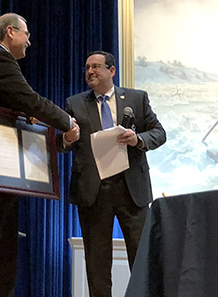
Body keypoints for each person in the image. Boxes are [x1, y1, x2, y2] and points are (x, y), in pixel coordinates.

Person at [0, 13, 80, 297]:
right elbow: (29, 100)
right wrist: (67, 123)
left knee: (3, 253)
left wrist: (32, 120)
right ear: (10, 32)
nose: (29, 42)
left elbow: (21, 110)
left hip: (0, 174)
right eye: (26, 34)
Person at [58, 51, 166, 297]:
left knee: (142, 259)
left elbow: (159, 133)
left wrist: (138, 139)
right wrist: (66, 139)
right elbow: (61, 142)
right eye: (87, 68)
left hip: (132, 191)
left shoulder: (137, 99)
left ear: (112, 70)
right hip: (93, 193)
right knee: (97, 264)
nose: (90, 72)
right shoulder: (74, 103)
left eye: (96, 67)